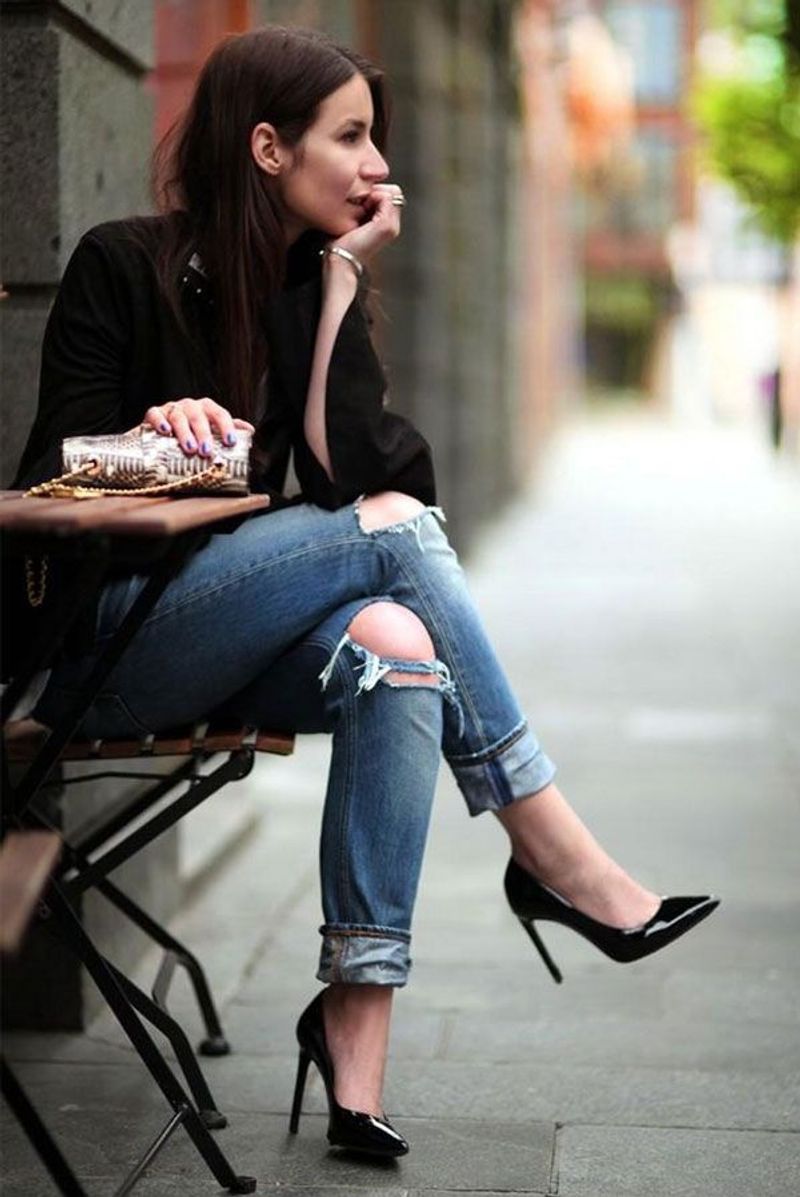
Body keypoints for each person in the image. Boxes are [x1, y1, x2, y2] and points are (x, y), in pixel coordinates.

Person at [8, 26, 718, 1160]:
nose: (375, 163)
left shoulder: (303, 287)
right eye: (351, 137)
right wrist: (141, 430)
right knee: (390, 542)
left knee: (395, 643)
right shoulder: (118, 258)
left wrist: (338, 283)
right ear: (267, 148)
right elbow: (42, 468)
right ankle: (554, 855)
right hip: (106, 645)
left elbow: (358, 471)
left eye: (375, 137)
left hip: (226, 629)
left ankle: (354, 1035)